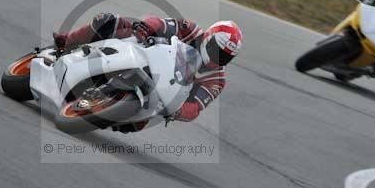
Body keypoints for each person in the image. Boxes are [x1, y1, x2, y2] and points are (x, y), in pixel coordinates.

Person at [53, 13, 243, 132]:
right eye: (217, 50)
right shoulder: (191, 30)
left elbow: (196, 107)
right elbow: (160, 23)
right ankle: (66, 42)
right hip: (142, 53)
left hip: (157, 94)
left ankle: (104, 105)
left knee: (135, 124)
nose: (218, 59)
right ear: (208, 38)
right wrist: (148, 27)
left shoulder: (217, 80)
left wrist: (177, 112)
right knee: (107, 21)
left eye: (225, 57)